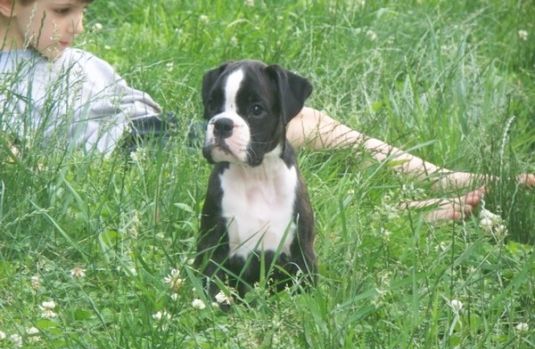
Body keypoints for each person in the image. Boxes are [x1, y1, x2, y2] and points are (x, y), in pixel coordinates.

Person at [1, 0, 533, 222]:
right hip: (127, 151)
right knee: (260, 188)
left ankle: (437, 176)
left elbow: (129, 101)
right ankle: (408, 212)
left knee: (305, 125)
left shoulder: (73, 56)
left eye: (84, 11)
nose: (78, 26)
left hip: (157, 132)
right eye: (62, 10)